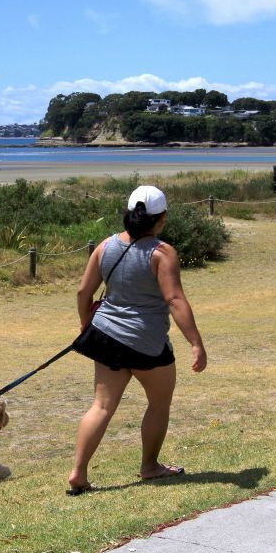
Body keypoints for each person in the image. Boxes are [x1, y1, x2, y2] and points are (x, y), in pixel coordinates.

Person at [67, 185, 207, 495]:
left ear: (129, 214)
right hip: (147, 343)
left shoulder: (105, 246)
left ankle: (78, 472)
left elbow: (82, 292)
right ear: (162, 218)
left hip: (105, 337)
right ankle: (150, 466)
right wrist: (195, 342)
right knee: (159, 403)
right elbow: (173, 299)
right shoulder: (162, 252)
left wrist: (84, 324)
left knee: (101, 406)